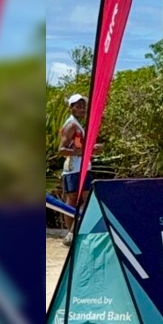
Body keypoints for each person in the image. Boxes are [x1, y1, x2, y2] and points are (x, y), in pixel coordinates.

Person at [58, 93, 100, 246]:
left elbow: (79, 147)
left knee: (87, 199)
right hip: (73, 168)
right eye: (78, 106)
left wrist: (92, 150)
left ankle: (74, 232)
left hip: (83, 166)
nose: (82, 109)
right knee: (72, 200)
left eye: (83, 106)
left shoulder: (78, 124)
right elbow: (61, 150)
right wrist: (84, 151)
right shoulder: (70, 125)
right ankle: (70, 233)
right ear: (71, 108)